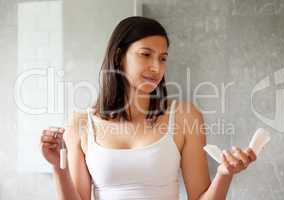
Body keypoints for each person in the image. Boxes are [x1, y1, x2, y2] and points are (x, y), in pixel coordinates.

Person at [40, 16, 257, 200]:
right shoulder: (80, 124)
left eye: (162, 59)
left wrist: (224, 173)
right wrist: (57, 167)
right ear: (118, 56)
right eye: (145, 54)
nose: (156, 67)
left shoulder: (184, 116)